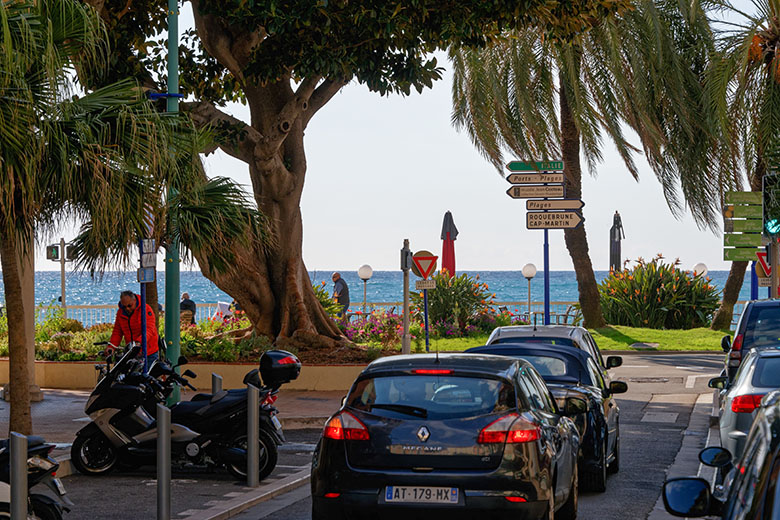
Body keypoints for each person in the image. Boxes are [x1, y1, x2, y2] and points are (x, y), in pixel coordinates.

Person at [107, 290, 159, 363]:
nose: (127, 309)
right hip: (132, 351)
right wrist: (112, 346)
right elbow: (117, 331)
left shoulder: (145, 309)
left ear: (134, 300)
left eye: (129, 305)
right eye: (124, 306)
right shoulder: (121, 312)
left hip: (149, 352)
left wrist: (139, 342)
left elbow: (149, 329)